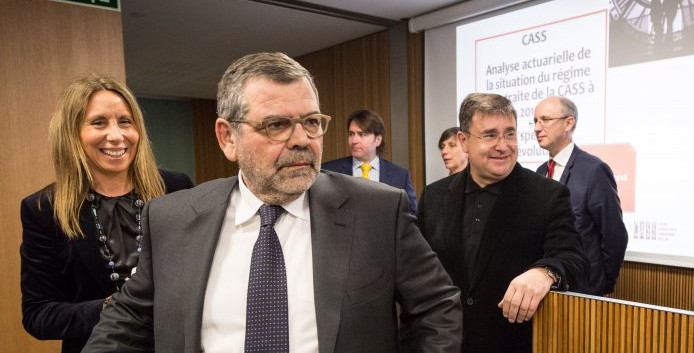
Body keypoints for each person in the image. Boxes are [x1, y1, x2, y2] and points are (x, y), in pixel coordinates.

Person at [82, 52, 461, 353]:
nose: (302, 140)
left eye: (311, 122)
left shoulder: (377, 211)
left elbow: (436, 306)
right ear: (227, 137)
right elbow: (130, 316)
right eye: (276, 125)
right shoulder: (172, 218)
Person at [20, 74, 193, 353]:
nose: (116, 135)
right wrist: (116, 306)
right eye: (99, 122)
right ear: (72, 133)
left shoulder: (176, 188)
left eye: (125, 121)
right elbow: (38, 315)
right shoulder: (43, 209)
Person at [417, 92, 588, 353]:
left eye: (510, 134)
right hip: (445, 345)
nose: (503, 145)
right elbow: (417, 274)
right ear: (463, 141)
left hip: (512, 343)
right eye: (489, 135)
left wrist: (544, 272)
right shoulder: (434, 196)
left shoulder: (547, 195)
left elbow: (573, 259)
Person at [534, 96, 628, 296]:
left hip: (585, 291)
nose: (537, 127)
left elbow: (614, 235)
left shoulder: (594, 170)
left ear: (568, 123)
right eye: (535, 121)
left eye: (545, 120)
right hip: (547, 290)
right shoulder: (540, 172)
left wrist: (602, 283)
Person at [321, 109, 418, 213]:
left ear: (378, 140)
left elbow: (411, 215)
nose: (354, 140)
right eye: (351, 134)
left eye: (361, 134)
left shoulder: (400, 176)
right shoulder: (329, 172)